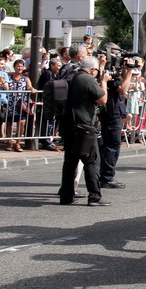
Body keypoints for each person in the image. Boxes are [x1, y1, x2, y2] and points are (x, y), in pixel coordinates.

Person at [58, 56, 111, 206]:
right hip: (84, 127)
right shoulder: (87, 79)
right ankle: (94, 196)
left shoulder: (70, 76)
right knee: (92, 161)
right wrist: (104, 82)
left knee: (70, 162)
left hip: (68, 125)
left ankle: (66, 196)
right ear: (93, 70)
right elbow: (102, 99)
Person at [98, 59, 134, 189]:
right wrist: (129, 71)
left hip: (112, 114)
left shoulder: (110, 77)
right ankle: (106, 177)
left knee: (109, 145)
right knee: (112, 145)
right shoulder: (110, 77)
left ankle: (104, 175)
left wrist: (125, 70)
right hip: (112, 114)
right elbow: (123, 89)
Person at [5, 59, 35, 152]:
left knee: (21, 122)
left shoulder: (25, 77)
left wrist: (32, 88)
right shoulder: (9, 76)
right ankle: (9, 142)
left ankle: (17, 143)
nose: (20, 68)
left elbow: (29, 86)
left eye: (21, 66)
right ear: (14, 67)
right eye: (18, 66)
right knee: (9, 123)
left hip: (21, 103)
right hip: (10, 102)